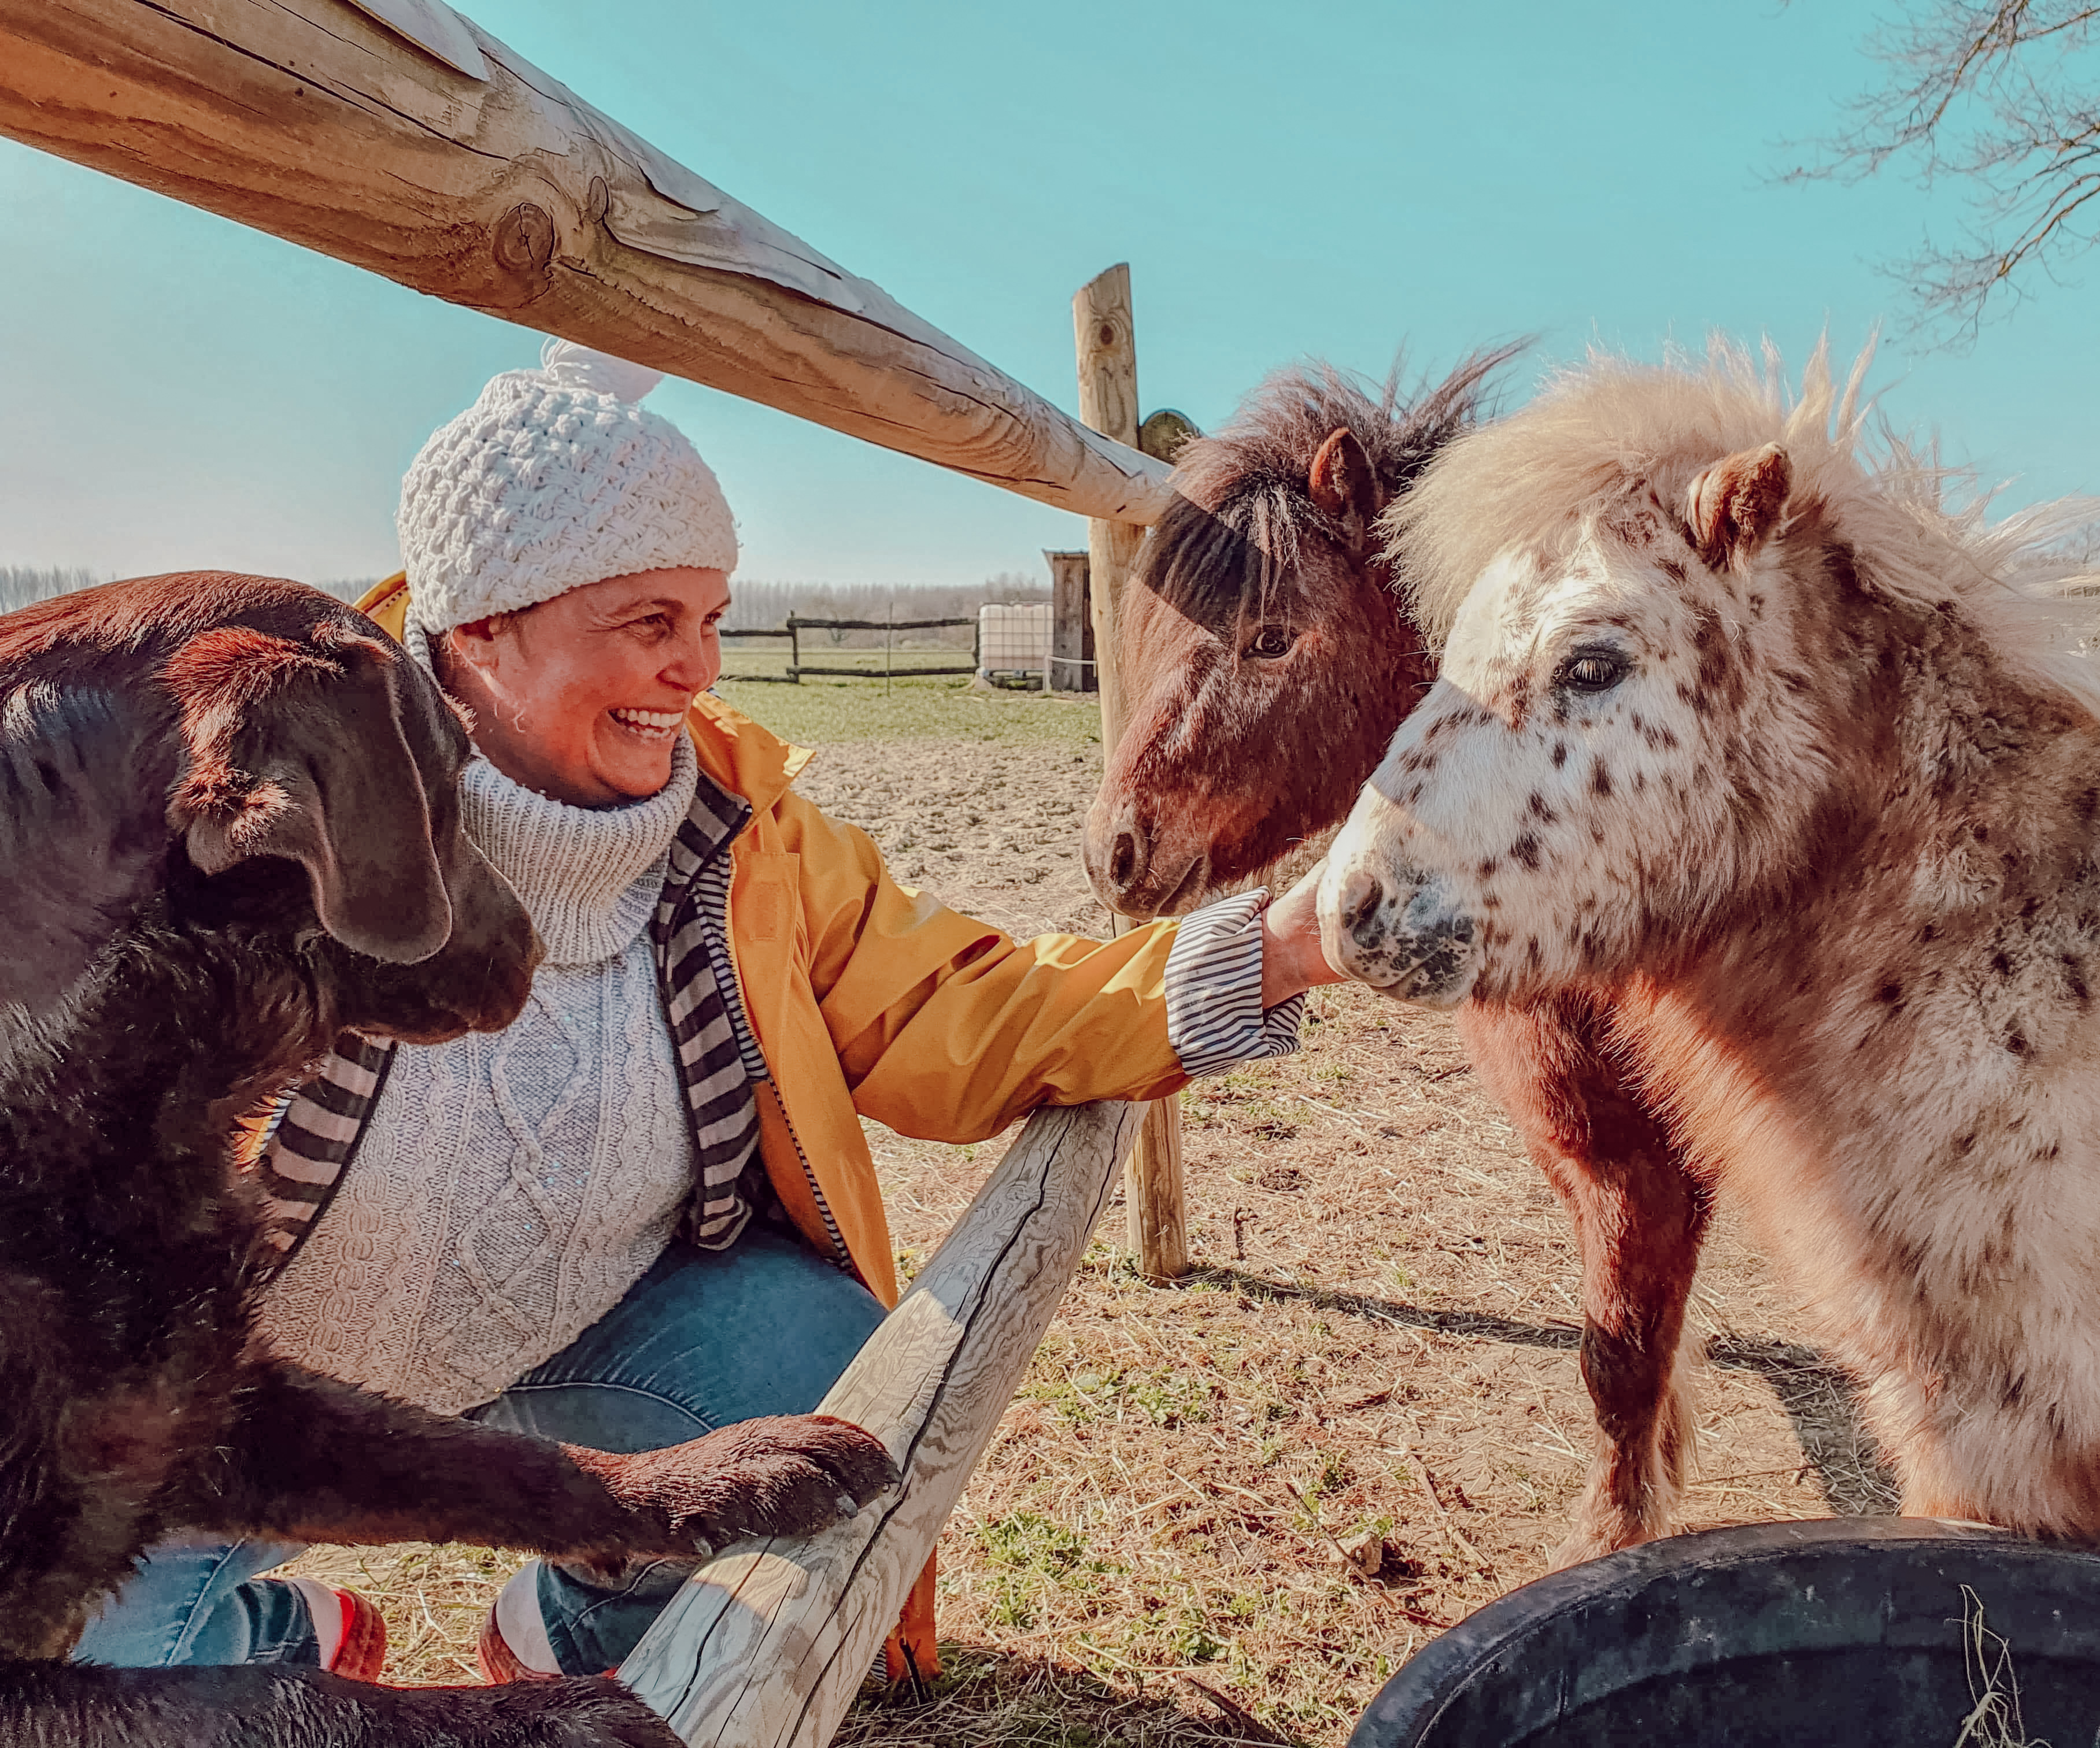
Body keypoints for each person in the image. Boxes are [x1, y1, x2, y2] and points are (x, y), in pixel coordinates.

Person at [76, 342, 1338, 1684]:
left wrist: (1277, 946)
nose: (697, 669)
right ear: (482, 627)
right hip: (238, 1408)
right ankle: (275, 1641)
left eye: (711, 616)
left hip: (590, 1323)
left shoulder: (742, 834)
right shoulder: (265, 816)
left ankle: (566, 1631)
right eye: (648, 622)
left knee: (809, 1364)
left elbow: (964, 1006)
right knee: (70, 1668)